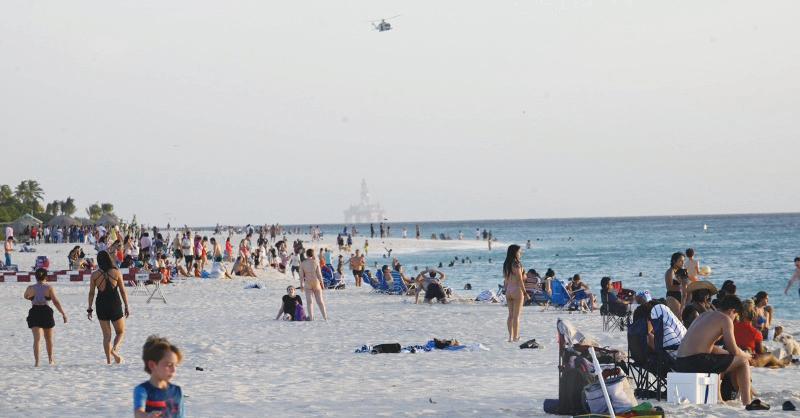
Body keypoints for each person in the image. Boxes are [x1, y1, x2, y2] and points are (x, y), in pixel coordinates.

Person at [675, 295, 765, 410]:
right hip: (695, 361)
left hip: (680, 362)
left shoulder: (704, 315)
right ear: (732, 311)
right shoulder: (725, 319)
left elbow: (709, 347)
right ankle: (747, 402)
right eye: (736, 316)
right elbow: (734, 350)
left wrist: (727, 354)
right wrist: (747, 356)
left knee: (721, 359)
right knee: (743, 362)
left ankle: (718, 398)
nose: (735, 319)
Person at [87, 250, 130, 364]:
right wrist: (126, 305)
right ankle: (114, 350)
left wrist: (89, 308)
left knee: (106, 336)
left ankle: (108, 361)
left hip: (101, 304)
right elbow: (122, 291)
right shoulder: (116, 272)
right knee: (120, 332)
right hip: (114, 303)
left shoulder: (94, 275)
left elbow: (91, 293)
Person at [24, 268, 67, 366]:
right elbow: (56, 302)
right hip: (46, 312)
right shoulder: (49, 287)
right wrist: (63, 313)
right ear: (46, 277)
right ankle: (50, 360)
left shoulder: (30, 288)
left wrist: (32, 298)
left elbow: (25, 296)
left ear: (36, 277)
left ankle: (37, 362)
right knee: (48, 339)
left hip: (34, 311)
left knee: (37, 339)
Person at [134, 335, 184, 418]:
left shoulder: (177, 391)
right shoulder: (143, 390)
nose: (174, 370)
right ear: (152, 365)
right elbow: (138, 413)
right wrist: (148, 415)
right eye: (169, 365)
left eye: (176, 365)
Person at [734, 300, 790, 368]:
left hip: (733, 358)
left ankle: (780, 361)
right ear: (753, 314)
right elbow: (759, 352)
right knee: (770, 355)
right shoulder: (755, 332)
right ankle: (782, 362)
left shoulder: (732, 327)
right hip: (749, 361)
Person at [501, 245, 529, 342]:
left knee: (510, 315)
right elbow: (520, 280)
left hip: (508, 290)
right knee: (516, 316)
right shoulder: (517, 264)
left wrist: (506, 290)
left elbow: (505, 280)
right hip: (517, 290)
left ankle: (510, 337)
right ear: (515, 252)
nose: (521, 253)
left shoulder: (506, 264)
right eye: (519, 251)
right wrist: (525, 293)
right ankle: (515, 337)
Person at [300, 249, 328, 321]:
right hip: (316, 282)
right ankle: (325, 317)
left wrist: (301, 285)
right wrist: (322, 284)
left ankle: (311, 317)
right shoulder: (316, 262)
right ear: (313, 254)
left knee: (309, 302)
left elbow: (301, 276)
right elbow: (319, 274)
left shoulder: (303, 263)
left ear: (306, 254)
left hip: (308, 283)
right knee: (320, 301)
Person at [664, 252, 686, 316]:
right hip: (672, 297)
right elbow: (669, 287)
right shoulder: (670, 271)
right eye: (680, 261)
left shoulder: (683, 271)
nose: (683, 263)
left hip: (682, 297)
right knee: (677, 317)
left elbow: (686, 286)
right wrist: (682, 287)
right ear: (674, 261)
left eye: (683, 261)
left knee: (682, 318)